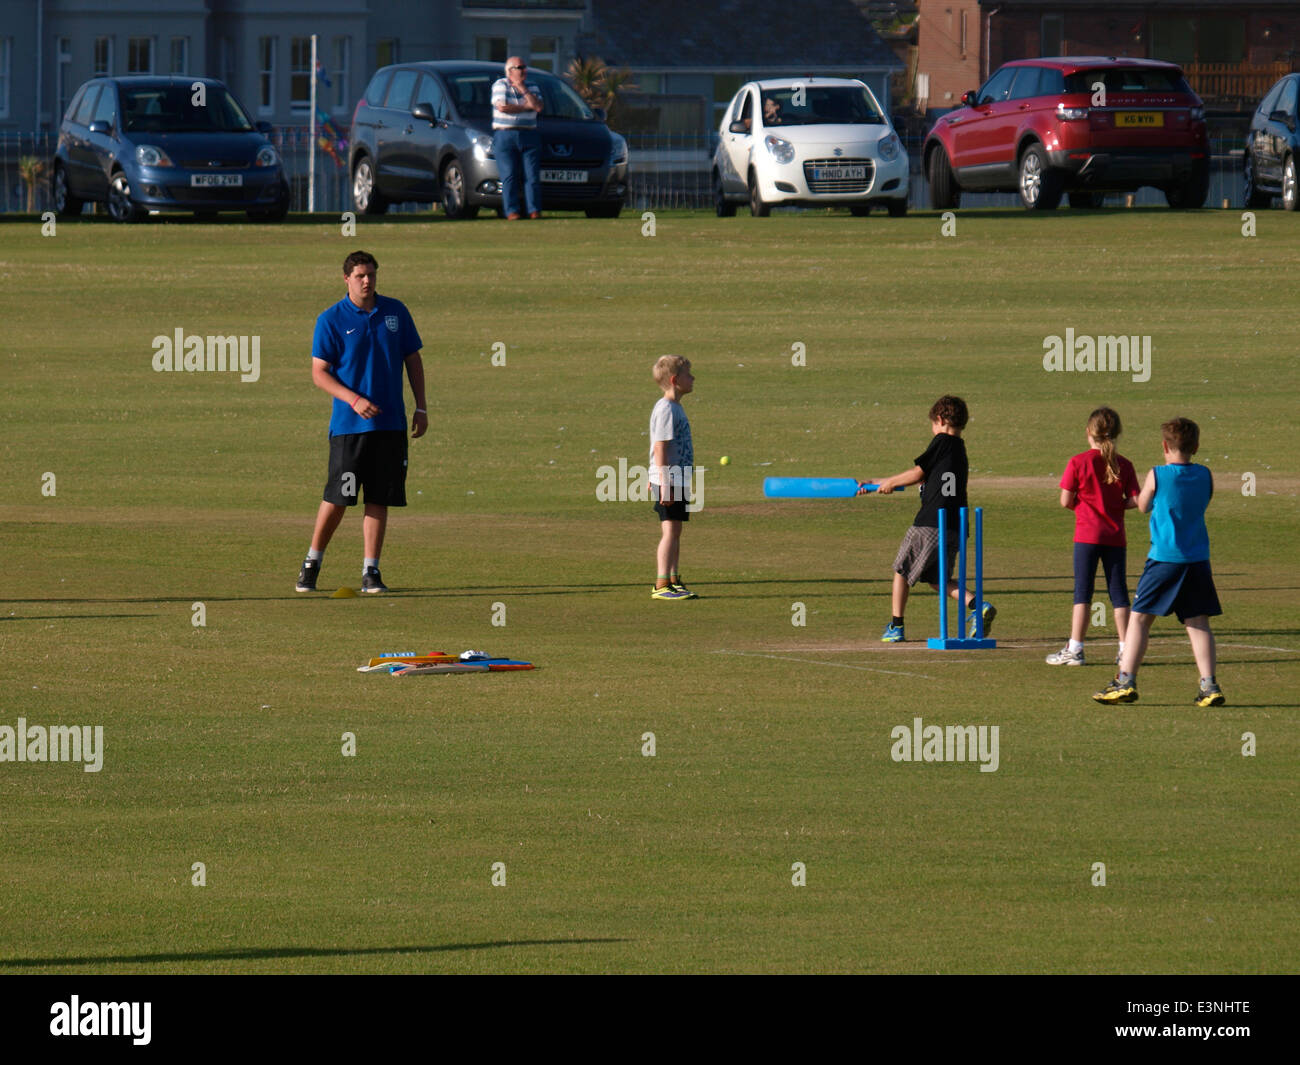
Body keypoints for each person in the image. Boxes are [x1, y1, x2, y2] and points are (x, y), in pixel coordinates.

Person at [296, 250, 427, 594]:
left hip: (390, 426)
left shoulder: (395, 312)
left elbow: (412, 359)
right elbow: (319, 374)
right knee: (340, 497)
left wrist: (421, 407)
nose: (367, 281)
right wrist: (353, 399)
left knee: (379, 498)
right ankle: (312, 562)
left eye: (371, 274)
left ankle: (371, 571)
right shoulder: (331, 319)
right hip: (350, 429)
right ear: (346, 279)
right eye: (360, 276)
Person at [1093, 418, 1224, 706]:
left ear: (1164, 446)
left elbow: (1142, 506)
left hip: (1164, 558)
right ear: (1196, 447)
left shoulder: (1158, 474)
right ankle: (1209, 685)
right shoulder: (1205, 474)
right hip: (1198, 559)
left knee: (1139, 619)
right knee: (1198, 622)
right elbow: (1203, 501)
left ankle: (1125, 679)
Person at [862, 395, 994, 641]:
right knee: (938, 579)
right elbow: (924, 478)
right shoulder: (958, 450)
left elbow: (917, 472)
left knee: (902, 571)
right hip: (955, 525)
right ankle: (978, 607)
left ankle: (896, 626)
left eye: (933, 424)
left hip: (930, 523)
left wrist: (889, 483)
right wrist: (874, 483)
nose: (933, 430)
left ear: (941, 420)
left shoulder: (942, 441)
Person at [1046, 407, 1140, 665]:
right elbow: (1135, 499)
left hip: (1087, 535)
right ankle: (1125, 649)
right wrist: (1115, 506)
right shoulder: (1125, 465)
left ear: (1088, 432)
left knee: (1082, 592)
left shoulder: (1078, 462)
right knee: (1119, 594)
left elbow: (1065, 499)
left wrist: (1086, 507)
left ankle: (1075, 648)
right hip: (1115, 536)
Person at [649, 355, 696, 600]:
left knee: (676, 531)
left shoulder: (675, 407)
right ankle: (661, 583)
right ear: (676, 380)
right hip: (670, 480)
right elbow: (660, 447)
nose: (693, 378)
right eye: (689, 374)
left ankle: (674, 578)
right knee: (669, 532)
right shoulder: (666, 409)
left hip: (677, 478)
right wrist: (663, 482)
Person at [491, 57, 544, 220]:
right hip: (505, 134)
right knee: (509, 175)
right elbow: (503, 107)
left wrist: (523, 89)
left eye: (524, 67)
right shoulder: (500, 85)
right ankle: (512, 211)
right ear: (509, 71)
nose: (523, 71)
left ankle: (534, 210)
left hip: (529, 133)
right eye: (519, 68)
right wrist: (525, 107)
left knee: (532, 175)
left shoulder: (532, 86)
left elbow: (538, 106)